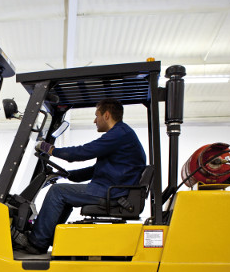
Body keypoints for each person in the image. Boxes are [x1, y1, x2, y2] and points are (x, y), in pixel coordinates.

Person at [13, 98, 146, 254]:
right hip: (114, 190)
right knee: (64, 194)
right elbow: (97, 169)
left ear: (107, 115)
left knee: (58, 192)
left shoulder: (119, 134)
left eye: (97, 116)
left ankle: (36, 242)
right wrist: (70, 175)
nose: (95, 120)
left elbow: (81, 152)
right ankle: (44, 239)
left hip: (113, 193)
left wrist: (49, 149)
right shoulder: (122, 135)